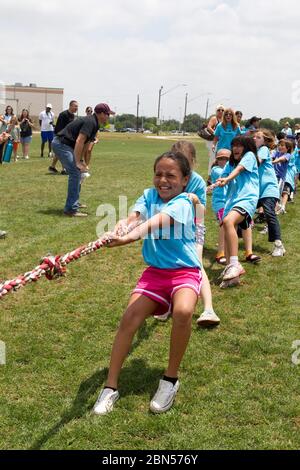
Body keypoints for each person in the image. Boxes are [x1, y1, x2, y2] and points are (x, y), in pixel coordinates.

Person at [93, 151, 202, 416]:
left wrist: (128, 239)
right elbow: (136, 217)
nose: (163, 180)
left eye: (171, 175)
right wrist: (122, 226)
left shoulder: (185, 202)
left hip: (184, 271)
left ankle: (170, 380)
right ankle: (110, 387)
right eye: (158, 174)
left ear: (185, 179)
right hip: (155, 273)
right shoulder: (149, 195)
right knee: (129, 318)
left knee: (184, 312)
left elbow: (153, 224)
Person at [51, 102, 114, 217]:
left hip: (67, 145)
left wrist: (81, 161)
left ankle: (74, 202)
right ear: (100, 113)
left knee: (78, 172)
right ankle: (70, 209)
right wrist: (77, 162)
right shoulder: (90, 121)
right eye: (107, 114)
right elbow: (79, 140)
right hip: (61, 144)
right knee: (75, 172)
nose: (108, 117)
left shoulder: (96, 123)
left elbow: (85, 144)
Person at [217, 136, 259, 284]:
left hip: (247, 198)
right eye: (233, 145)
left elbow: (239, 170)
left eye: (239, 145)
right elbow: (223, 175)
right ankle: (230, 271)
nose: (235, 148)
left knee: (229, 221)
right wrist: (217, 182)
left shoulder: (249, 156)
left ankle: (235, 264)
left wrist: (227, 179)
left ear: (246, 147)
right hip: (231, 201)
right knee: (229, 231)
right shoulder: (230, 163)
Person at [253, 129, 285, 257]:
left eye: (258, 137)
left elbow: (256, 162)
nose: (255, 138)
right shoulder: (254, 152)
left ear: (265, 141)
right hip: (258, 191)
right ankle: (234, 236)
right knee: (243, 210)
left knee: (269, 213)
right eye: (254, 137)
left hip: (269, 189)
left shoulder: (263, 150)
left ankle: (279, 245)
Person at [210, 149, 231, 264]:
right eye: (220, 159)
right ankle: (220, 253)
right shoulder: (216, 170)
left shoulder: (231, 170)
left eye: (226, 159)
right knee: (223, 224)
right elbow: (224, 175)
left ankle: (229, 250)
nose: (223, 161)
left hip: (230, 201)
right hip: (220, 202)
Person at [48, 100, 78, 174]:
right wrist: (62, 138)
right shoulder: (63, 114)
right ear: (70, 106)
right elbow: (59, 128)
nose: (76, 108)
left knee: (59, 152)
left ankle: (52, 167)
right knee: (64, 152)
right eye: (75, 106)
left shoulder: (73, 116)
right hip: (61, 136)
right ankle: (64, 169)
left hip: (67, 137)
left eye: (77, 106)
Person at [206, 105, 224, 180]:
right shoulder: (214, 118)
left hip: (220, 142)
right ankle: (209, 177)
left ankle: (216, 175)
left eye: (222, 110)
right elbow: (209, 127)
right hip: (212, 141)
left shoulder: (224, 120)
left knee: (219, 158)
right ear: (216, 111)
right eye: (219, 110)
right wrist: (216, 134)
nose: (221, 111)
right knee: (213, 159)